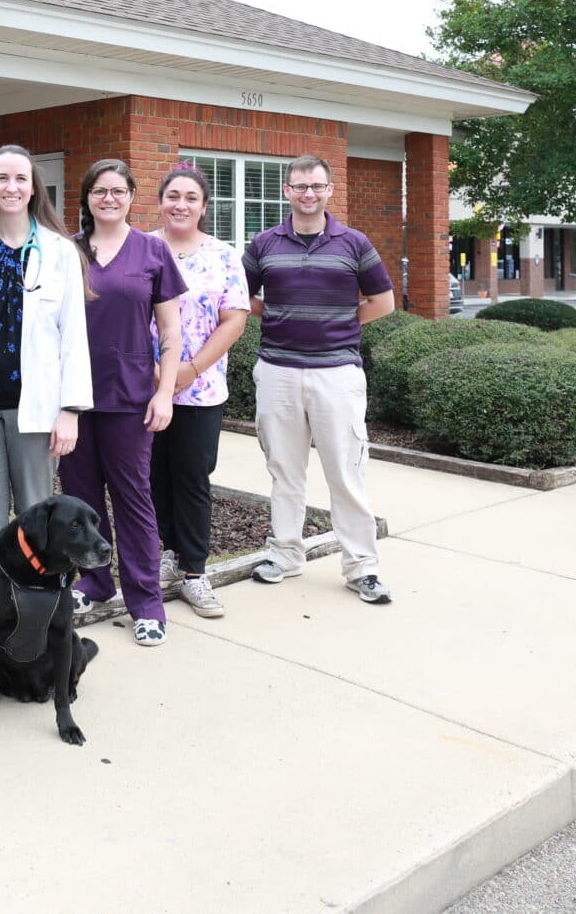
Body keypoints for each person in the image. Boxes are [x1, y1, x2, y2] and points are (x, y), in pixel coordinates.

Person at [0, 144, 93, 680]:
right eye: (1, 177)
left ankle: (47, 629)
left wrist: (71, 409)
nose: (11, 186)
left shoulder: (58, 251)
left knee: (39, 520)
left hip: (36, 410)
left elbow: (73, 335)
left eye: (21, 178)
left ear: (34, 188)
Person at [242, 154, 397, 605]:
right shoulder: (264, 244)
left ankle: (362, 567)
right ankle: (285, 556)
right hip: (278, 371)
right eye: (299, 186)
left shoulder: (353, 243)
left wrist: (340, 325)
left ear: (330, 190)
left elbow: (383, 301)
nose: (307, 194)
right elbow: (241, 296)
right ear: (286, 191)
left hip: (337, 374)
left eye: (316, 186)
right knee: (284, 471)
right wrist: (275, 314)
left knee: (346, 473)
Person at [63, 158, 186, 646]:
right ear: (87, 197)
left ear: (133, 197)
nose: (108, 198)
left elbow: (171, 331)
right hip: (73, 398)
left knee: (134, 499)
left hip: (130, 396)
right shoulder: (65, 251)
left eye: (118, 190)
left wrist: (164, 392)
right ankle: (94, 582)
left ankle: (145, 601)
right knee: (81, 500)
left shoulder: (153, 251)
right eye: (99, 190)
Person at [147, 163, 250, 617]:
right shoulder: (143, 248)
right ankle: (166, 556)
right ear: (161, 201)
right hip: (144, 386)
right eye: (173, 196)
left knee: (191, 477)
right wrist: (153, 370)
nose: (180, 204)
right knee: (151, 478)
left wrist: (190, 368)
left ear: (204, 206)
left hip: (200, 388)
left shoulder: (224, 256)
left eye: (190, 197)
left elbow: (235, 319)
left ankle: (194, 571)